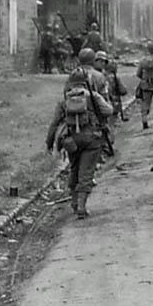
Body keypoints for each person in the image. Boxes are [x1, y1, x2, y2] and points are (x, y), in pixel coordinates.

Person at [45, 50, 114, 218]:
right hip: (92, 138)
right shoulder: (93, 96)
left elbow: (54, 123)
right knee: (87, 171)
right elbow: (109, 110)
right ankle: (82, 205)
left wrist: (49, 143)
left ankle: (74, 202)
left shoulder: (64, 101)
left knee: (74, 168)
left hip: (71, 139)